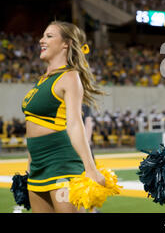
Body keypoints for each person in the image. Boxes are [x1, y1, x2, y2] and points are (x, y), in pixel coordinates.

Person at [22, 21, 106, 213]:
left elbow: (75, 124)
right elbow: (31, 125)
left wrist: (90, 168)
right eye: (43, 36)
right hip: (37, 165)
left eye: (49, 36)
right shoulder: (44, 79)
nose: (42, 40)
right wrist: (29, 166)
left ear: (65, 43)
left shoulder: (69, 77)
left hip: (62, 162)